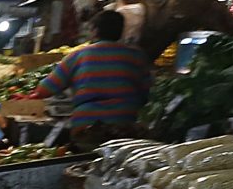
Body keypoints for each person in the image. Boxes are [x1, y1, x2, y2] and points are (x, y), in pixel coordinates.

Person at [43, 11, 155, 139]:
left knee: (85, 154)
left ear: (95, 31)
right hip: (125, 120)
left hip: (86, 122)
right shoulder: (136, 55)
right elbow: (147, 90)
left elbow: (47, 88)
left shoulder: (79, 55)